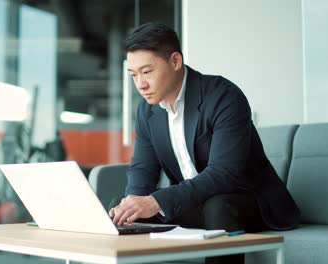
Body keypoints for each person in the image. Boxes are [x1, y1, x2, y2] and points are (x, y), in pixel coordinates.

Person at [108, 22, 300, 264]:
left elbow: (224, 174)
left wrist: (157, 201)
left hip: (246, 201)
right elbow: (142, 169)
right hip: (194, 202)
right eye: (134, 75)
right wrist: (132, 206)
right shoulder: (147, 111)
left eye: (147, 72)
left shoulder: (223, 96)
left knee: (218, 207)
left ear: (175, 61)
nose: (140, 84)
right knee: (122, 208)